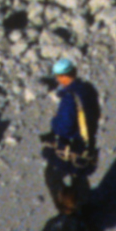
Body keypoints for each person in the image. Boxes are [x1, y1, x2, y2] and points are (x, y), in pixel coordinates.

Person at [41, 53, 102, 212]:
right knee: (80, 175)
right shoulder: (87, 90)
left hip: (70, 143)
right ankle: (86, 205)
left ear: (62, 77)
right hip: (86, 140)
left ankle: (67, 207)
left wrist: (54, 124)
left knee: (53, 175)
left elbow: (65, 125)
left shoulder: (69, 98)